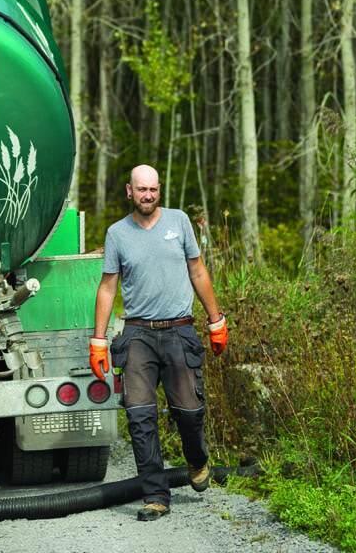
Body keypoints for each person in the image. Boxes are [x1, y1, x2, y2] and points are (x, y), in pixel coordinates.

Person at [89, 164, 228, 521]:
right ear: (129, 191)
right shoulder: (117, 233)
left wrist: (216, 320)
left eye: (153, 189)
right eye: (141, 189)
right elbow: (108, 287)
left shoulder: (179, 222)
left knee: (189, 412)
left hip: (179, 329)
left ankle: (197, 459)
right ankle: (155, 496)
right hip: (138, 333)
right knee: (139, 416)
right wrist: (98, 339)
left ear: (159, 190)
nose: (148, 195)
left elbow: (197, 270)